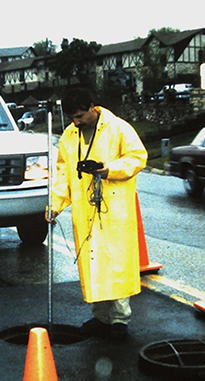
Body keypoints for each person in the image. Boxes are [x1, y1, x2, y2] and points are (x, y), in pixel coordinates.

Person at [46, 88, 147, 340]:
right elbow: (62, 174)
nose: (76, 122)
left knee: (116, 265)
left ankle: (119, 319)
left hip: (114, 208)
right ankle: (101, 317)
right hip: (84, 209)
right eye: (72, 118)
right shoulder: (69, 135)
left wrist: (110, 168)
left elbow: (138, 157)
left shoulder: (118, 128)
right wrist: (55, 204)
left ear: (92, 107)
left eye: (80, 116)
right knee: (93, 264)